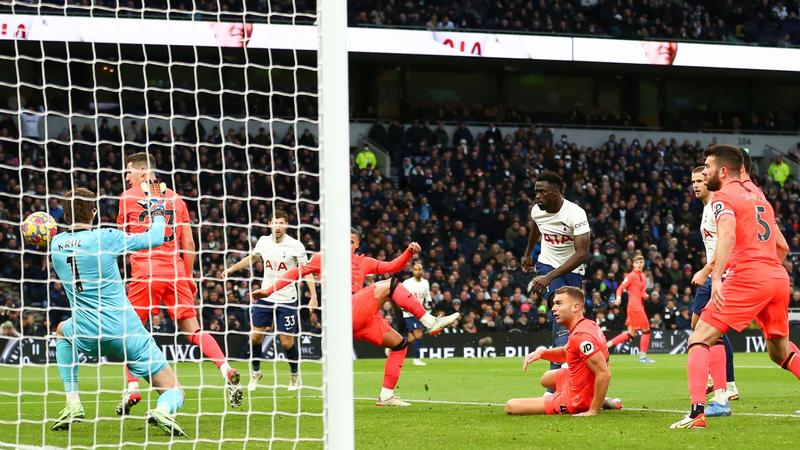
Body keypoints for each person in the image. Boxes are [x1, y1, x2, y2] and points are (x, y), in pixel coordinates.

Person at [252, 231, 460, 406]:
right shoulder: (323, 258)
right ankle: (431, 321)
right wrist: (269, 290)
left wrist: (408, 252)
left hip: (362, 317)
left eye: (350, 242)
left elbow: (392, 266)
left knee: (400, 345)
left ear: (356, 244)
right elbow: (295, 272)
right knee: (391, 285)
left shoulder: (364, 261)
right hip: (343, 312)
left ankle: (386, 395)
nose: (346, 244)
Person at [670, 145, 796, 429]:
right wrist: (764, 273)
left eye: (708, 167)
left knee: (698, 339)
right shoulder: (759, 196)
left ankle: (696, 414)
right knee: (780, 352)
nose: (704, 171)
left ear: (723, 171)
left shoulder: (724, 196)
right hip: (776, 277)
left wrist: (717, 278)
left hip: (747, 276)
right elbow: (783, 247)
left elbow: (726, 233)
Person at [50, 188, 186, 436]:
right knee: (174, 390)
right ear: (93, 212)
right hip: (126, 333)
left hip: (85, 334)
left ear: (65, 214)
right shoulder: (106, 237)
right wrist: (156, 210)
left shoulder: (55, 245)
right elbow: (155, 238)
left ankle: (73, 403)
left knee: (61, 330)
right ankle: (163, 411)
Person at [116, 152, 241, 414]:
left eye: (129, 171)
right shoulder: (176, 198)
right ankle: (225, 368)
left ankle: (131, 388)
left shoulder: (127, 198)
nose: (126, 177)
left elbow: (123, 240)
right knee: (194, 330)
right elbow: (189, 244)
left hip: (145, 273)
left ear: (142, 172)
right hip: (175, 273)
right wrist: (187, 277)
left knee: (129, 333)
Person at [222, 210, 317, 392]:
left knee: (286, 342)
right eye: (275, 223)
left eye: (281, 223)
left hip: (287, 300)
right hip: (265, 296)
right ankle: (256, 374)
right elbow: (253, 258)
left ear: (286, 225)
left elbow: (307, 271)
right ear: (269, 224)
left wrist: (313, 296)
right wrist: (232, 269)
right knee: (256, 337)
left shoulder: (295, 246)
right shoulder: (263, 241)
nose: (278, 226)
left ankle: (294, 375)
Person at [504, 286, 621, 416]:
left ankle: (595, 401)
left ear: (576, 307)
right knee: (545, 379)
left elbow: (604, 374)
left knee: (511, 406)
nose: (553, 308)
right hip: (583, 382)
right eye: (554, 304)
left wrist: (593, 410)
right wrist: (542, 353)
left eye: (559, 303)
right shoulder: (588, 325)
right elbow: (566, 352)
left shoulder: (581, 336)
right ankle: (599, 398)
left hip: (576, 399)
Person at [521, 171, 590, 372]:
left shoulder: (575, 214)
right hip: (547, 264)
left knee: (573, 315)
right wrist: (528, 253)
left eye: (541, 192)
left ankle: (573, 360)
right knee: (561, 306)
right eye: (536, 192)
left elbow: (583, 253)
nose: (537, 196)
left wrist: (549, 277)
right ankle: (559, 369)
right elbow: (535, 226)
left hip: (573, 268)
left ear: (556, 193)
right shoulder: (537, 210)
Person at [689, 165, 739, 415]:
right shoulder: (707, 208)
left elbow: (725, 245)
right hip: (716, 273)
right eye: (693, 181)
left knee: (707, 330)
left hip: (722, 274)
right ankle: (721, 386)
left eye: (700, 179)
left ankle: (725, 386)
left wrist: (706, 272)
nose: (696, 185)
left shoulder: (717, 207)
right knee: (700, 325)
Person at [606, 255, 655, 363]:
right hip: (635, 307)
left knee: (631, 334)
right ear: (633, 264)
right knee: (646, 331)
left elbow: (641, 291)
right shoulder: (631, 275)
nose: (639, 264)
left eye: (641, 262)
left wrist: (645, 295)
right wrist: (618, 298)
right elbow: (620, 288)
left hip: (637, 306)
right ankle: (642, 357)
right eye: (637, 262)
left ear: (643, 264)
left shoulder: (642, 275)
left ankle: (606, 345)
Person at [402, 262, 435, 366]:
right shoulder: (407, 283)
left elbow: (427, 296)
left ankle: (393, 346)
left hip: (419, 312)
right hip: (409, 312)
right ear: (412, 270)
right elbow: (401, 296)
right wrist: (403, 307)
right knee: (419, 333)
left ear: (423, 271)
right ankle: (416, 359)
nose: (418, 271)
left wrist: (429, 303)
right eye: (416, 269)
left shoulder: (425, 283)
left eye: (420, 269)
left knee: (411, 338)